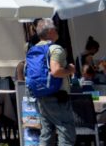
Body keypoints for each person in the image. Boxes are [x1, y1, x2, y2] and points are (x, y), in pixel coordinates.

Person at [30, 18, 76, 146]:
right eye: (55, 28)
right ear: (50, 31)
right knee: (66, 131)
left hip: (41, 96)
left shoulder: (34, 49)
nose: (57, 31)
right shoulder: (56, 49)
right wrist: (70, 70)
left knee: (47, 132)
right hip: (58, 97)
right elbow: (56, 71)